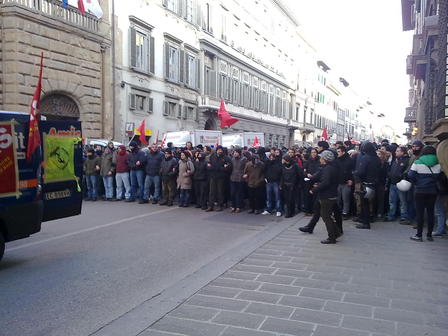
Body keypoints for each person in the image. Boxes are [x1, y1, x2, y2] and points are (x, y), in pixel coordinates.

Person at [408, 146, 441, 241]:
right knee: (431, 213)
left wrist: (417, 182)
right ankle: (429, 235)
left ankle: (419, 235)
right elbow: (440, 176)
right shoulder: (438, 163)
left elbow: (410, 175)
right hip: (432, 191)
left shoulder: (417, 162)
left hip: (420, 190)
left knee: (420, 213)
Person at [309, 150, 340, 244]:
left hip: (327, 195)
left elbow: (326, 182)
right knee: (326, 215)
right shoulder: (331, 168)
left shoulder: (327, 169)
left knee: (326, 216)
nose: (320, 159)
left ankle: (332, 237)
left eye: (321, 157)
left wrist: (314, 190)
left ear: (325, 159)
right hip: (332, 194)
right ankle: (336, 233)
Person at [354, 141, 381, 229]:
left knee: (365, 203)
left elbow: (361, 171)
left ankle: (366, 222)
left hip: (366, 183)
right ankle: (367, 219)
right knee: (370, 202)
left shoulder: (366, 158)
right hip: (374, 183)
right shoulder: (376, 158)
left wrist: (355, 173)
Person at [386, 146, 410, 223]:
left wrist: (401, 176)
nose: (396, 152)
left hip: (401, 183)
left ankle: (404, 216)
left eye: (397, 151)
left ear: (402, 152)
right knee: (392, 201)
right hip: (393, 183)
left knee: (402, 201)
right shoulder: (395, 160)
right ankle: (391, 215)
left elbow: (406, 171)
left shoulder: (406, 160)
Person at [206, 146, 232, 212]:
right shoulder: (212, 157)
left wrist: (220, 168)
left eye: (221, 150)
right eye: (218, 150)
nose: (219, 151)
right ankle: (211, 205)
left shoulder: (226, 158)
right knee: (211, 192)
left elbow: (228, 168)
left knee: (220, 192)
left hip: (221, 177)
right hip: (213, 176)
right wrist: (219, 168)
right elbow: (208, 166)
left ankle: (220, 205)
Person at [335, 146, 354, 218]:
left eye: (339, 152)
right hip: (338, 182)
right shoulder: (337, 160)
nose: (338, 153)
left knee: (346, 199)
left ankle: (345, 213)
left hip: (346, 182)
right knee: (338, 199)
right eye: (337, 152)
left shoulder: (349, 160)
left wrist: (351, 179)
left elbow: (352, 171)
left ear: (343, 152)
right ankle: (338, 212)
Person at [229, 147, 247, 213]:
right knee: (232, 193)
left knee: (239, 193)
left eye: (236, 152)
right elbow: (231, 167)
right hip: (233, 177)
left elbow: (246, 168)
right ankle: (233, 206)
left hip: (240, 178)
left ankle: (239, 207)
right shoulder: (232, 159)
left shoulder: (244, 159)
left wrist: (245, 174)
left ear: (239, 153)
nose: (234, 154)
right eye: (234, 152)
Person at [303, 148, 320, 215]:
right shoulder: (308, 161)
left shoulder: (319, 160)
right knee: (307, 196)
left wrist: (315, 176)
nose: (313, 154)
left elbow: (320, 170)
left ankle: (315, 211)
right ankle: (308, 210)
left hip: (316, 180)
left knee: (315, 197)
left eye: (314, 152)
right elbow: (304, 170)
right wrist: (307, 174)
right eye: (312, 152)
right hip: (308, 180)